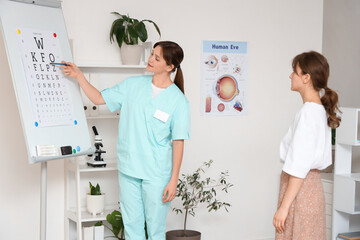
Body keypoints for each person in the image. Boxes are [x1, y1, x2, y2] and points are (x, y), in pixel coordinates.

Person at [62, 41, 190, 240]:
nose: (150, 59)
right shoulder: (132, 85)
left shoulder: (178, 101)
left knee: (155, 229)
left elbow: (178, 142)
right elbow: (98, 98)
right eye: (151, 54)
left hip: (156, 174)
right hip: (129, 169)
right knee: (132, 228)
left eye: (156, 58)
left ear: (170, 66)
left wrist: (173, 180)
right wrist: (79, 76)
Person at [273, 51, 341, 239]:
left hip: (301, 192)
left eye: (294, 72)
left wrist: (284, 207)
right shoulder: (317, 110)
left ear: (306, 77)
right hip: (310, 189)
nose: (290, 76)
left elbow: (299, 164)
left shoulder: (309, 113)